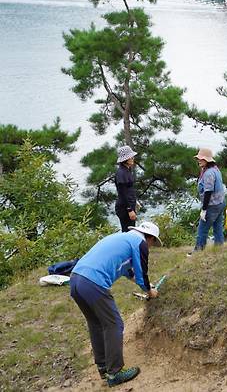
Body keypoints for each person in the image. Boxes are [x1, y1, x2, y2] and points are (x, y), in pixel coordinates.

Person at [69, 222, 161, 388]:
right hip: (93, 282)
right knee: (114, 324)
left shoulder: (122, 238)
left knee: (96, 323)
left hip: (76, 278)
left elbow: (127, 270)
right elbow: (142, 275)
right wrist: (149, 291)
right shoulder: (140, 244)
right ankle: (115, 373)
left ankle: (103, 366)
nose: (151, 246)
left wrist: (147, 285)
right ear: (150, 238)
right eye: (153, 242)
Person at [192, 148, 226, 253]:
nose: (199, 161)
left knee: (202, 229)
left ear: (207, 160)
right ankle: (219, 248)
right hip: (220, 202)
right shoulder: (215, 169)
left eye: (201, 159)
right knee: (218, 227)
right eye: (199, 159)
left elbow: (208, 192)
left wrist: (204, 210)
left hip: (212, 205)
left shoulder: (208, 173)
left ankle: (198, 250)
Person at [115, 145, 138, 232]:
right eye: (130, 157)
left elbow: (129, 189)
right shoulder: (121, 173)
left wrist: (135, 202)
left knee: (132, 231)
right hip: (124, 208)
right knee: (128, 232)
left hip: (129, 205)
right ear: (125, 159)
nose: (132, 158)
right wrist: (130, 209)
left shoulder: (127, 170)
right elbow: (122, 193)